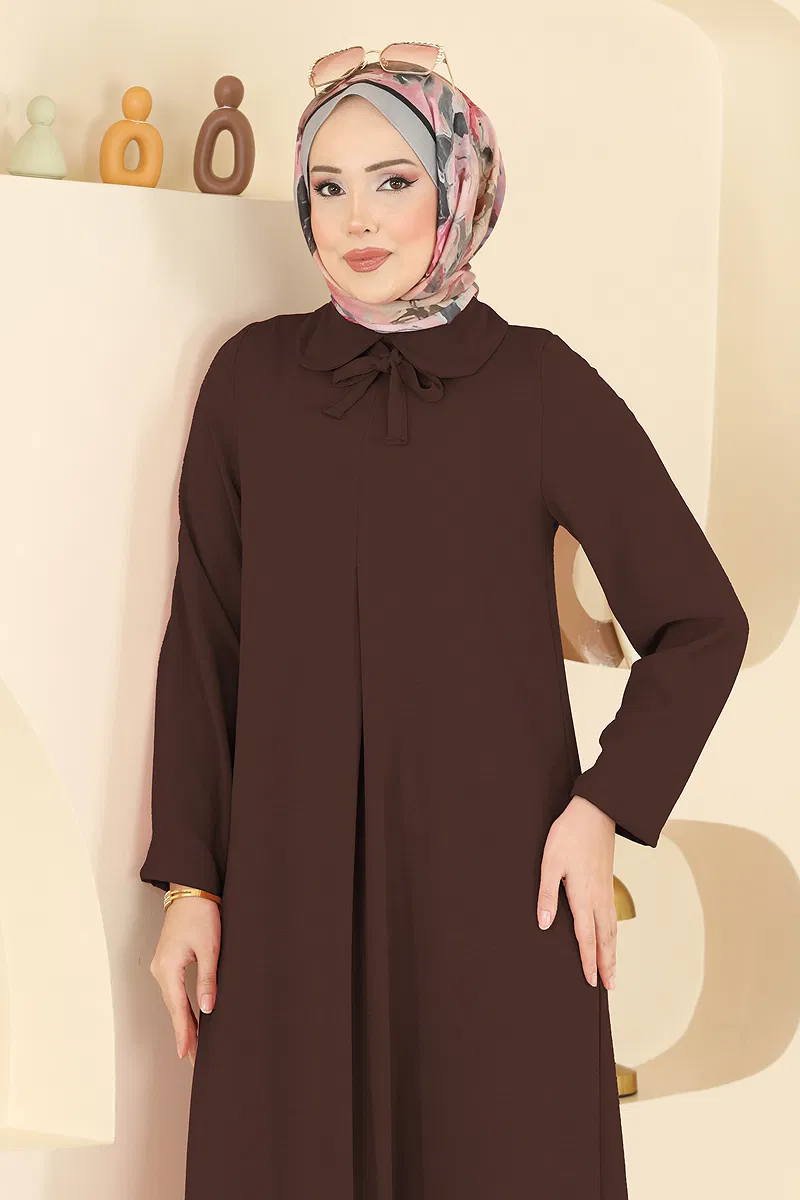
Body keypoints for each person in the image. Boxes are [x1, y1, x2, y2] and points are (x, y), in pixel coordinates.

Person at [141, 47, 749, 1200]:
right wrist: (190, 886)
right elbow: (206, 647)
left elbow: (700, 620)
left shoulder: (536, 386)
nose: (356, 220)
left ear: (458, 186)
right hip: (288, 895)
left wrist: (601, 809)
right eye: (327, 185)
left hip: (493, 891)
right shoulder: (251, 383)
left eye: (393, 180)